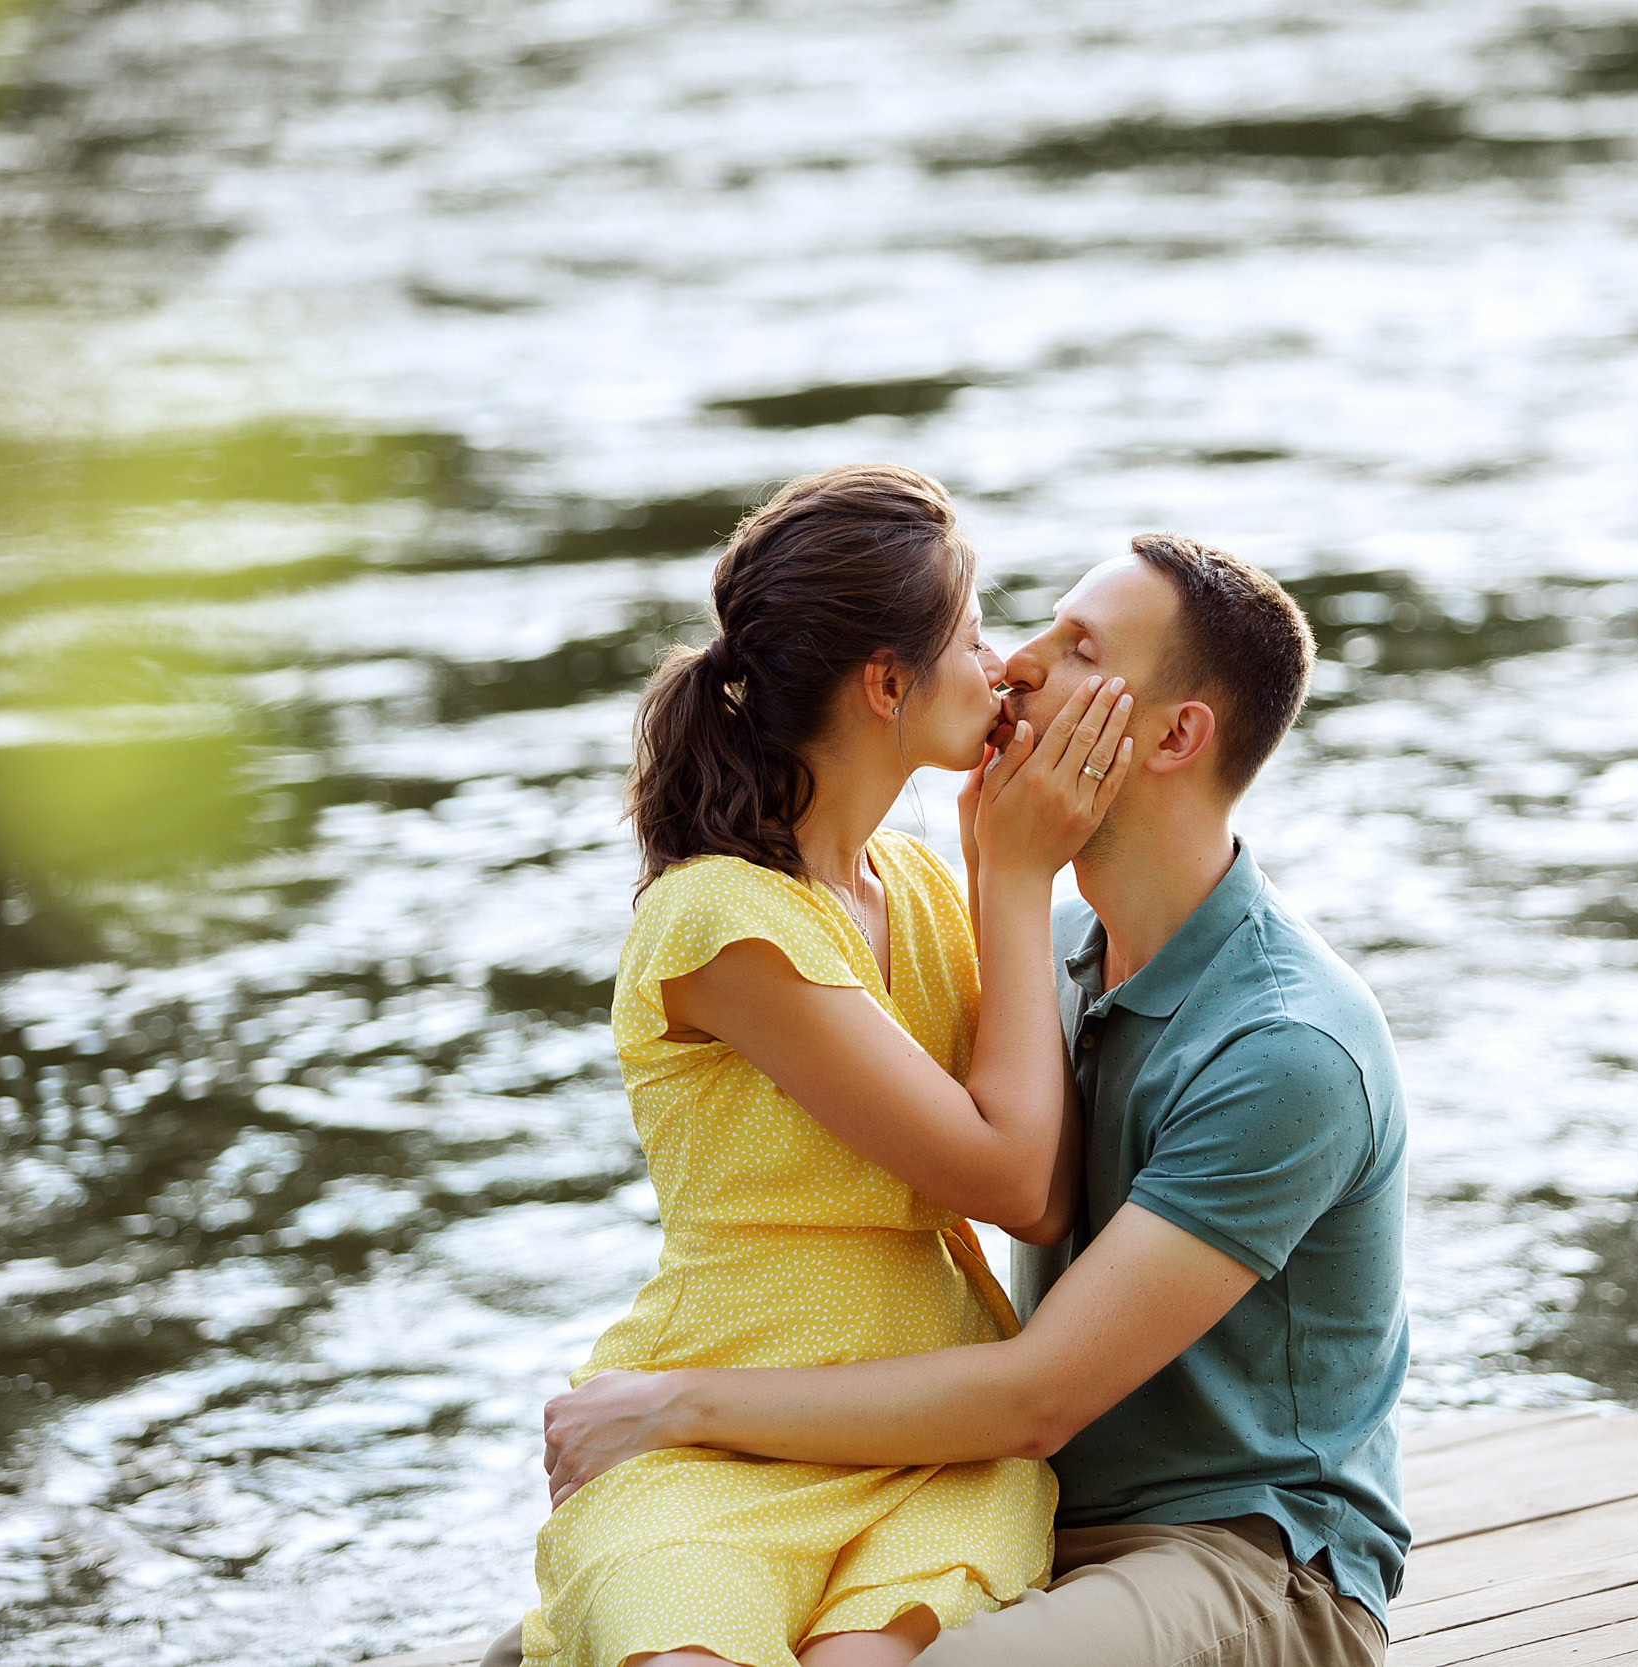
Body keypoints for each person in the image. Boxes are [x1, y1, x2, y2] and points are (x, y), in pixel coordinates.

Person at [534, 533, 1409, 1667]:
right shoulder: (1044, 952)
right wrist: (1006, 880)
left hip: (1242, 1550)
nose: (1016, 666)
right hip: (1011, 1500)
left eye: (1076, 645)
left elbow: (1032, 1389)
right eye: (1019, 629)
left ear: (1174, 734)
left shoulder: (1284, 1045)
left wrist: (679, 1402)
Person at [520, 463, 1137, 1667]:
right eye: (970, 635)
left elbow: (1036, 1184)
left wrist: (994, 879)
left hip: (930, 1441)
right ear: (885, 682)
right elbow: (1009, 1176)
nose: (999, 663)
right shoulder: (725, 924)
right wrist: (1013, 876)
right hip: (715, 1440)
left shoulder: (914, 887)